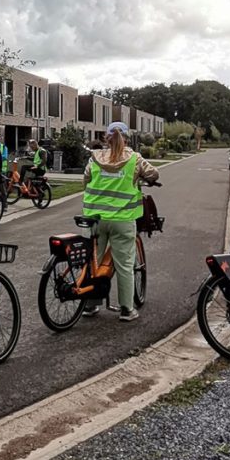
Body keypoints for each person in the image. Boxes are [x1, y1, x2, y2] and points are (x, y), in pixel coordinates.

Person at [80, 122, 160, 321]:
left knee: (93, 261)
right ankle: (127, 309)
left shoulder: (95, 158)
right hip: (122, 219)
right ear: (126, 138)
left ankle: (90, 305)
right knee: (124, 264)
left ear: (106, 138)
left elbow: (85, 180)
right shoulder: (135, 159)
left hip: (95, 218)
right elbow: (153, 174)